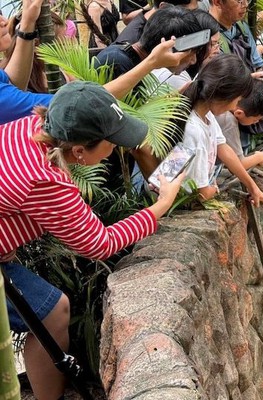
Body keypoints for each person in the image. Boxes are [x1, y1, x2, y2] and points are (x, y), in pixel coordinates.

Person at [0, 81, 185, 400]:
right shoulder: (44, 177)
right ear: (79, 151)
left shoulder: (28, 127)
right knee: (52, 311)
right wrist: (162, 205)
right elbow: (99, 244)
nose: (118, 147)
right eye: (112, 142)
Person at [0, 0, 194, 125]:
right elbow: (82, 102)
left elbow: (13, 82)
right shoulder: (116, 59)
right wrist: (151, 62)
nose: (3, 20)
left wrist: (27, 24)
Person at [180, 53, 263, 205]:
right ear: (226, 95)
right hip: (183, 204)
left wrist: (252, 187)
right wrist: (214, 189)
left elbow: (224, 149)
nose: (236, 106)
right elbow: (201, 194)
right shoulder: (194, 130)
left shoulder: (206, 114)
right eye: (238, 100)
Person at [95, 7, 201, 79]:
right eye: (191, 52)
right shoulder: (117, 62)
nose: (193, 61)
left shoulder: (133, 60)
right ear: (168, 46)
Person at [216, 78, 263, 168]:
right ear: (239, 113)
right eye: (255, 120)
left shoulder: (218, 104)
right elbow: (238, 164)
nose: (257, 122)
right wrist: (260, 157)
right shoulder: (229, 122)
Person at [115, 0, 198, 45]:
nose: (193, 19)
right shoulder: (135, 43)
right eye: (188, 13)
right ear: (164, 7)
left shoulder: (157, 28)